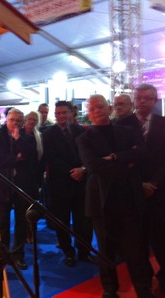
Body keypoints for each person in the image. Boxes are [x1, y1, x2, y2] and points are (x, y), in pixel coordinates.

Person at [76, 94, 154, 298]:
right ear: (89, 114)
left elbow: (142, 153)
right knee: (105, 249)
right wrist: (125, 161)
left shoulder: (128, 131)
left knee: (136, 249)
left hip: (129, 196)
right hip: (101, 200)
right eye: (92, 109)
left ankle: (143, 289)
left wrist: (113, 157)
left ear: (109, 108)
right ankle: (110, 290)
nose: (97, 111)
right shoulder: (84, 138)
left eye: (101, 107)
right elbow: (93, 166)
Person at [118, 83, 165, 292]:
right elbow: (119, 159)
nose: (143, 101)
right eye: (140, 97)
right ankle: (143, 284)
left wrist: (154, 183)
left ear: (155, 100)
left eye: (148, 97)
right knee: (136, 243)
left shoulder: (164, 123)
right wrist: (139, 184)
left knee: (161, 239)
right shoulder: (121, 125)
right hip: (132, 192)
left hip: (160, 190)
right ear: (135, 100)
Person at [43, 101, 95, 267]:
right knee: (62, 222)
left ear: (71, 113)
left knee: (84, 222)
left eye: (64, 113)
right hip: (60, 184)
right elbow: (51, 159)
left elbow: (88, 153)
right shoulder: (48, 134)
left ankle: (84, 252)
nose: (61, 116)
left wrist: (83, 169)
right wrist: (72, 171)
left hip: (81, 183)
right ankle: (68, 253)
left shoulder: (80, 130)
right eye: (58, 113)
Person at [0, 108, 35, 270]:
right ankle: (3, 254)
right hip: (2, 185)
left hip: (22, 185)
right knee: (2, 223)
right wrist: (16, 158)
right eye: (12, 119)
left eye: (19, 120)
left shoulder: (27, 137)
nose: (15, 123)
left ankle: (18, 255)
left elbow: (30, 156)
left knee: (22, 223)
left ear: (22, 122)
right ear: (6, 119)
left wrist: (18, 140)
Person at [22, 111, 44, 242]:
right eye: (29, 119)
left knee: (33, 205)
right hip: (22, 176)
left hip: (35, 176)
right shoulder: (19, 134)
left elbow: (40, 158)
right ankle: (26, 233)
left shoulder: (39, 136)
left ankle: (32, 231)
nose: (32, 121)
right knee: (23, 206)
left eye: (34, 119)